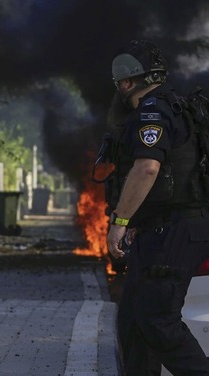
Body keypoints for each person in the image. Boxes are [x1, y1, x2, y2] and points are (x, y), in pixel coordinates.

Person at [105, 40, 209, 375]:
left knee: (158, 320)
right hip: (160, 228)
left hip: (176, 230)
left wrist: (120, 220)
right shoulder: (173, 106)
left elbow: (147, 168)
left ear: (125, 82)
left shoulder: (154, 111)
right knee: (135, 319)